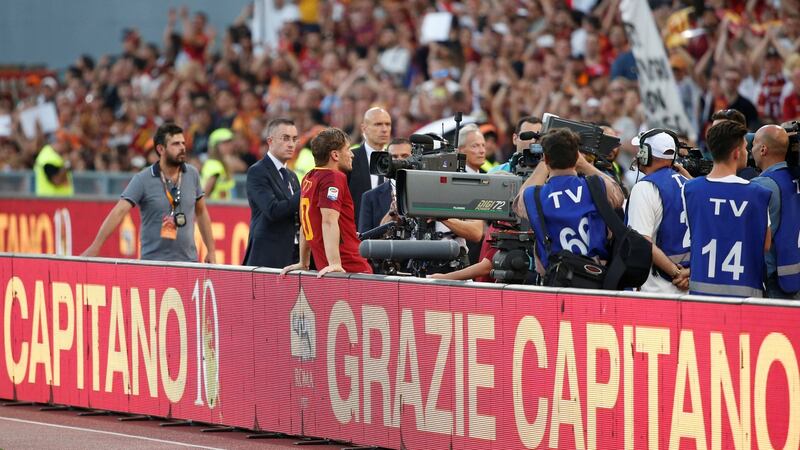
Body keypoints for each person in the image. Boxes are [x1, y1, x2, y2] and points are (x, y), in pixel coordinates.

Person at [82, 123, 216, 262]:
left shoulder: (192, 174)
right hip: (153, 264)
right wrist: (96, 246)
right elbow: (119, 211)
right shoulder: (142, 179)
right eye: (176, 144)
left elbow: (201, 212)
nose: (182, 147)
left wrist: (211, 250)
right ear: (161, 149)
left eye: (183, 143)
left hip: (188, 263)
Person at [514, 128, 625, 275]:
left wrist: (543, 162)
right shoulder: (596, 186)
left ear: (546, 159)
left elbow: (517, 204)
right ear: (576, 157)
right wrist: (584, 165)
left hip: (556, 278)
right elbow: (618, 195)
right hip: (596, 276)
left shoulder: (533, 195)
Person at [682, 120, 771, 297]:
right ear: (737, 153)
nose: (747, 152)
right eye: (745, 148)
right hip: (746, 295)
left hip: (701, 294)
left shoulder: (690, 189)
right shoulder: (758, 193)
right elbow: (766, 245)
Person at [282, 127, 372, 276]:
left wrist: (303, 262)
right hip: (349, 265)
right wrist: (335, 263)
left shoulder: (309, 177)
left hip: (325, 266)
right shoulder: (333, 178)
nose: (352, 155)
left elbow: (305, 223)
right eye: (348, 149)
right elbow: (329, 220)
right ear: (335, 155)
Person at [626, 129, 693, 294]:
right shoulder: (690, 184)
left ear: (645, 153)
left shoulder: (645, 187)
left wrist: (675, 273)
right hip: (689, 286)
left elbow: (642, 240)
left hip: (657, 289)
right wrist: (689, 274)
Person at [242, 118, 301, 268]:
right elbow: (272, 210)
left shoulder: (292, 176)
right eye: (285, 138)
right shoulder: (257, 171)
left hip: (293, 253)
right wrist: (306, 192)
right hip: (268, 255)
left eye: (294, 139)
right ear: (270, 141)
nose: (291, 144)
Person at [751, 125, 800, 299]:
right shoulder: (794, 177)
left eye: (754, 144)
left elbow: (755, 238)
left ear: (763, 149)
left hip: (773, 280)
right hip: (793, 272)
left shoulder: (763, 185)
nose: (751, 150)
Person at [357, 138, 412, 234]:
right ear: (386, 159)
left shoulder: (427, 191)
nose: (399, 160)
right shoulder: (370, 197)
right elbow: (364, 240)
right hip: (387, 248)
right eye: (394, 157)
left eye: (404, 156)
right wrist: (391, 215)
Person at [348, 107, 392, 221]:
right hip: (357, 231)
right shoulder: (350, 158)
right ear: (364, 128)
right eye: (378, 124)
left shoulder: (396, 159)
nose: (384, 129)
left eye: (388, 124)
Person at [34, 132, 74, 196]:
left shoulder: (56, 156)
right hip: (50, 200)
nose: (68, 149)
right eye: (67, 145)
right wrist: (67, 164)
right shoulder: (48, 158)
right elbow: (56, 181)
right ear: (60, 143)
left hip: (58, 200)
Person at [201, 128, 236, 200]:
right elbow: (205, 195)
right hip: (214, 209)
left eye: (230, 143)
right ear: (215, 146)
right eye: (224, 143)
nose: (229, 146)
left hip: (223, 209)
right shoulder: (214, 165)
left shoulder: (222, 164)